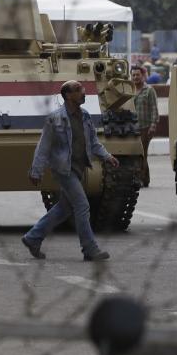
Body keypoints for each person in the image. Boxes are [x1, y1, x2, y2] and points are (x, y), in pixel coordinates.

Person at [21, 80, 119, 262]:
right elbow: (44, 147)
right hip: (64, 170)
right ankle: (90, 249)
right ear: (67, 95)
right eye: (78, 90)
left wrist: (107, 156)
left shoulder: (85, 116)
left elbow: (93, 142)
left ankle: (33, 238)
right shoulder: (55, 119)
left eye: (82, 89)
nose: (83, 92)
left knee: (64, 209)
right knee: (82, 205)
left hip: (79, 169)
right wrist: (36, 171)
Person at [130, 65, 159, 187]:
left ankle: (141, 179)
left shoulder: (149, 90)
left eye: (138, 75)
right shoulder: (129, 90)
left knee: (142, 153)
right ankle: (145, 179)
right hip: (132, 128)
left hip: (145, 127)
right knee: (137, 153)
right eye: (133, 75)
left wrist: (153, 125)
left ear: (143, 76)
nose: (135, 77)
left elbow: (154, 108)